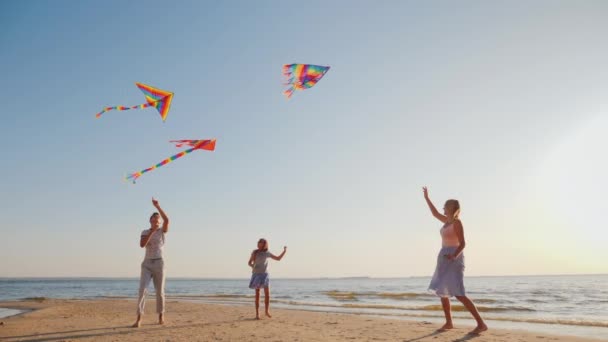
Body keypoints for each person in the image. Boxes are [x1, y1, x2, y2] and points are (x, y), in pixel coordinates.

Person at [422, 187, 488, 334]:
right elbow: (434, 213)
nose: (443, 209)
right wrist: (427, 198)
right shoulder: (446, 221)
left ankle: (481, 324)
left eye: (445, 206)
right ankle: (449, 322)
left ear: (450, 208)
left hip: (454, 259)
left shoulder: (457, 223)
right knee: (442, 291)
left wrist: (454, 256)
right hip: (443, 258)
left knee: (459, 293)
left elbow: (463, 243)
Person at [132, 197, 169, 328]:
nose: (156, 221)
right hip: (147, 264)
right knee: (142, 290)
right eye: (153, 219)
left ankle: (161, 315)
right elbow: (142, 245)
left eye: (157, 220)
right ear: (150, 221)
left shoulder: (162, 231)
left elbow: (167, 220)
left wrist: (158, 207)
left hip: (159, 263)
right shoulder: (145, 232)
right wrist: (151, 232)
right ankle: (139, 318)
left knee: (160, 292)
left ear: (159, 222)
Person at [247, 238, 286, 319]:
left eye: (261, 243)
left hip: (265, 275)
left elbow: (278, 258)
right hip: (256, 274)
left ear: (265, 244)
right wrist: (252, 266)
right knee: (257, 294)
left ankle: (266, 311)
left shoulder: (267, 253)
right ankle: (257, 314)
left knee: (267, 294)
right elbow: (249, 262)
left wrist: (284, 251)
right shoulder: (255, 252)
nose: (259, 244)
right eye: (259, 242)